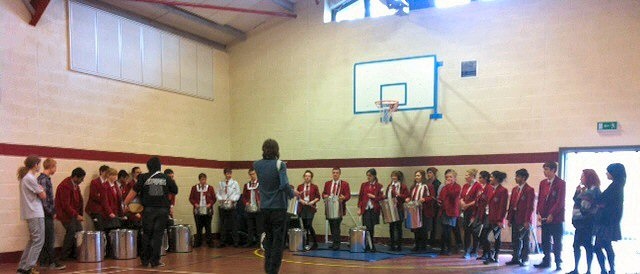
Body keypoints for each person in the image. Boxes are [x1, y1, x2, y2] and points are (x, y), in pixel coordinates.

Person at [124, 157, 178, 268]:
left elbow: (134, 191)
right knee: (157, 236)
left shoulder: (143, 177)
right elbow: (175, 190)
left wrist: (125, 204)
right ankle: (155, 261)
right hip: (162, 210)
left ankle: (144, 260)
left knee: (147, 234)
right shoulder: (166, 178)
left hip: (148, 210)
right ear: (160, 166)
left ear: (148, 166)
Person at [254, 139, 295, 274]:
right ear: (276, 150)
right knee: (278, 243)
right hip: (278, 208)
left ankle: (268, 269)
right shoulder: (280, 164)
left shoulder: (257, 165)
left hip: (264, 208)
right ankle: (273, 271)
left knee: (269, 241)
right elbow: (283, 185)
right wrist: (292, 194)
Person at [567, 169, 601, 274]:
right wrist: (579, 192)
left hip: (586, 223)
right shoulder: (587, 190)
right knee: (577, 246)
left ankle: (587, 270)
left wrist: (580, 195)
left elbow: (584, 207)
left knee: (586, 246)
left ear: (588, 177)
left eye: (582, 176)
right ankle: (577, 269)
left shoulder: (592, 191)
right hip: (581, 223)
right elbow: (577, 200)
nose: (580, 178)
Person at [594, 163, 626, 274]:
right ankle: (611, 269)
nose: (606, 173)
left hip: (607, 221)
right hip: (610, 221)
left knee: (599, 247)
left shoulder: (615, 186)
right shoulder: (618, 185)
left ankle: (605, 270)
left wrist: (601, 205)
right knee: (606, 246)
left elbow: (602, 201)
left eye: (608, 171)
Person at [535, 162, 567, 271]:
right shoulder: (543, 183)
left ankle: (558, 262)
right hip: (544, 217)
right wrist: (538, 212)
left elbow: (560, 202)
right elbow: (540, 199)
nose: (545, 172)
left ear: (554, 170)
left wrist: (551, 214)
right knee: (545, 240)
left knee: (557, 241)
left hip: (556, 218)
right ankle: (546, 261)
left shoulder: (561, 183)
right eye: (544, 169)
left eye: (547, 169)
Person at [17, 155, 46, 274]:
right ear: (35, 165)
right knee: (39, 240)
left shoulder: (26, 177)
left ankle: (23, 265)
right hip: (35, 212)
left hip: (31, 212)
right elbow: (43, 195)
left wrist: (40, 189)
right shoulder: (30, 178)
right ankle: (29, 266)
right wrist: (41, 189)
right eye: (39, 164)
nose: (40, 166)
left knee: (33, 240)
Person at [36, 158, 65, 270]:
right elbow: (44, 200)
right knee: (49, 238)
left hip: (45, 213)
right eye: (55, 166)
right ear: (51, 167)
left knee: (46, 238)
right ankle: (52, 261)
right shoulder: (43, 180)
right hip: (45, 213)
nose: (56, 169)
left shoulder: (45, 179)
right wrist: (51, 211)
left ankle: (44, 261)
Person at [505, 169, 535, 267]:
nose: (516, 178)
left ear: (523, 178)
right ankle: (515, 258)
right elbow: (511, 205)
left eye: (517, 176)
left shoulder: (529, 190)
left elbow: (529, 207)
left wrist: (527, 220)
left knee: (525, 239)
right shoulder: (514, 189)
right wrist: (509, 218)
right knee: (515, 239)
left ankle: (524, 258)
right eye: (516, 176)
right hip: (514, 218)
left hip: (523, 219)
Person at [55, 168, 86, 261]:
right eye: (81, 179)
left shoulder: (75, 185)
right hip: (66, 215)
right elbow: (65, 205)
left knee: (79, 231)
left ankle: (75, 253)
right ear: (75, 177)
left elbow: (79, 201)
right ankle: (64, 255)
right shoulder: (65, 186)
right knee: (71, 231)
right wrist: (76, 215)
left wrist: (79, 214)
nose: (82, 181)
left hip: (73, 214)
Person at [481, 171, 508, 265]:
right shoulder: (491, 189)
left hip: (497, 218)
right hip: (489, 217)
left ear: (496, 179)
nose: (490, 179)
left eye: (492, 177)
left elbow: (502, 206)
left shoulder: (503, 190)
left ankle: (495, 256)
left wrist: (500, 220)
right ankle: (489, 255)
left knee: (496, 238)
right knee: (484, 236)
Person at [322, 167, 351, 251]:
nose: (335, 174)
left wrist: (344, 197)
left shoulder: (344, 184)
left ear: (339, 174)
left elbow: (348, 195)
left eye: (337, 173)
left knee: (336, 226)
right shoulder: (327, 183)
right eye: (334, 172)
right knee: (331, 225)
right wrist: (324, 196)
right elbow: (323, 193)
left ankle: (337, 243)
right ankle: (334, 242)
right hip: (329, 208)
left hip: (339, 208)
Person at [407, 170, 435, 252]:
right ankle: (417, 245)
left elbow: (432, 197)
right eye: (415, 175)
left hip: (424, 210)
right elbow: (410, 196)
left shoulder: (429, 186)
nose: (416, 177)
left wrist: (425, 199)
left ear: (422, 176)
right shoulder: (413, 186)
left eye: (418, 176)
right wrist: (408, 199)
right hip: (415, 210)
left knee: (423, 229)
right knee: (416, 229)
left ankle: (423, 246)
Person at [357, 168, 384, 252]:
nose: (368, 177)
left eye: (370, 176)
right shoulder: (364, 185)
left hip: (373, 209)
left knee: (371, 228)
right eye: (367, 176)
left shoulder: (379, 186)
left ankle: (371, 245)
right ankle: (366, 244)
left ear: (374, 176)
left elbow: (382, 198)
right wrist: (359, 208)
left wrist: (374, 197)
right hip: (365, 209)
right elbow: (360, 197)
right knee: (366, 227)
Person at [460, 169, 484, 259]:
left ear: (473, 176)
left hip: (474, 212)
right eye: (465, 175)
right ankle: (466, 250)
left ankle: (474, 250)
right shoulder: (465, 186)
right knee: (466, 231)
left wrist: (467, 205)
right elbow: (462, 196)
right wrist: (462, 202)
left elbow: (478, 199)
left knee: (474, 232)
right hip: (466, 212)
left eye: (467, 175)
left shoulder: (478, 186)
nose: (466, 177)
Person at [101, 168, 124, 257]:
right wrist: (109, 212)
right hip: (108, 214)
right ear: (108, 176)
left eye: (116, 175)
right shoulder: (104, 186)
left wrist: (122, 214)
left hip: (116, 213)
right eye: (113, 175)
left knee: (115, 232)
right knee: (108, 233)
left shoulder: (115, 186)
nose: (115, 177)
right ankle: (108, 252)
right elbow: (104, 202)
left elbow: (119, 201)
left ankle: (115, 251)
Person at [438, 169, 462, 255]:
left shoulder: (457, 187)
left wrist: (448, 186)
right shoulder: (444, 187)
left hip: (452, 212)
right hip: (444, 211)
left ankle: (449, 248)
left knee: (448, 231)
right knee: (444, 231)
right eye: (447, 177)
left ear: (455, 178)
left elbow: (453, 196)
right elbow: (441, 197)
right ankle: (443, 248)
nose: (448, 178)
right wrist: (439, 201)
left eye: (450, 177)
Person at [189, 173, 216, 248]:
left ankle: (210, 242)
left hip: (208, 210)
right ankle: (198, 242)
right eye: (202, 180)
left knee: (208, 227)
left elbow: (214, 198)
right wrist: (195, 204)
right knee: (199, 227)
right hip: (198, 210)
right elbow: (191, 198)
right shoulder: (194, 188)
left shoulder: (210, 188)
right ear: (199, 180)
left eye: (204, 179)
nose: (203, 181)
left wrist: (210, 204)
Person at [216, 168, 241, 247]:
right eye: (227, 173)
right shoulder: (221, 183)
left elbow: (238, 193)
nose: (229, 175)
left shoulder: (235, 183)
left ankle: (235, 242)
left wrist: (234, 200)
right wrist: (221, 199)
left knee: (234, 224)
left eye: (230, 173)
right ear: (225, 174)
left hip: (232, 206)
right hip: (223, 206)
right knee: (223, 224)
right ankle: (223, 241)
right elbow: (217, 193)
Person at [385, 170, 409, 251]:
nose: (393, 177)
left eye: (395, 176)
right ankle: (392, 244)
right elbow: (386, 196)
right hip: (391, 208)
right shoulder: (389, 186)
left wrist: (399, 195)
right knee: (391, 227)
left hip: (399, 208)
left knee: (398, 227)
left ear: (399, 177)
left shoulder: (403, 186)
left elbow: (407, 196)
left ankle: (399, 245)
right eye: (392, 176)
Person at [296, 170, 320, 250]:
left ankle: (315, 242)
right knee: (305, 226)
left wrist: (312, 202)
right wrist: (302, 201)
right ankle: (306, 242)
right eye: (306, 176)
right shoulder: (300, 186)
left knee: (309, 225)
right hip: (303, 208)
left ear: (311, 177)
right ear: (304, 177)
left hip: (310, 208)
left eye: (309, 176)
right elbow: (297, 197)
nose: (307, 177)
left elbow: (318, 197)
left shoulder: (314, 187)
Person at [473, 171, 492, 261]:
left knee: (484, 235)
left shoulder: (489, 188)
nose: (479, 179)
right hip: (480, 213)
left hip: (486, 215)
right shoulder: (481, 188)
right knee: (479, 235)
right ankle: (485, 253)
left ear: (485, 178)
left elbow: (488, 200)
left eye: (480, 177)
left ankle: (489, 253)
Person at [242, 168, 263, 248]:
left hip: (258, 208)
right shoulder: (247, 185)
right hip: (249, 208)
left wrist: (260, 202)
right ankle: (250, 241)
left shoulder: (260, 184)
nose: (252, 176)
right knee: (250, 227)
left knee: (259, 227)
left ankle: (259, 243)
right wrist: (246, 203)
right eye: (250, 174)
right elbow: (244, 196)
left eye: (253, 174)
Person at [85, 165, 109, 231]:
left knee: (105, 229)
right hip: (96, 209)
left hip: (105, 209)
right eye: (106, 172)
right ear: (101, 172)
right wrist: (104, 199)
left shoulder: (107, 183)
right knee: (99, 229)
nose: (107, 174)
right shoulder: (95, 182)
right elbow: (94, 196)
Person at [426, 167, 441, 246]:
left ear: (434, 174)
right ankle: (426, 240)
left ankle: (432, 240)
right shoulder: (426, 182)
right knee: (426, 223)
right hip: (427, 205)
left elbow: (438, 195)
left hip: (434, 206)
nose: (429, 174)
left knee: (434, 223)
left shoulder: (437, 183)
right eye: (428, 172)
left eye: (430, 172)